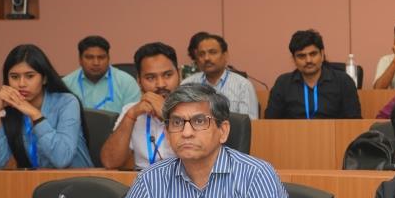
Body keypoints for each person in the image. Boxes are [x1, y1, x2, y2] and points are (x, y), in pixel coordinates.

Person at [101, 84, 294, 198]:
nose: (186, 133)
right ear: (167, 134)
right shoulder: (151, 180)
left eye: (199, 121)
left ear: (223, 131)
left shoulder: (257, 176)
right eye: (177, 123)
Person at [0, 44, 92, 169]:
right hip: (37, 179)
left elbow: (62, 159)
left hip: (78, 179)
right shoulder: (10, 108)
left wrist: (35, 115)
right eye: (14, 77)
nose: (21, 84)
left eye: (30, 76)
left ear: (44, 78)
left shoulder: (67, 102)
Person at [100, 42, 180, 170]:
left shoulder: (196, 108)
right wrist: (131, 116)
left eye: (167, 75)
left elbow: (198, 159)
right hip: (140, 179)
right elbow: (110, 162)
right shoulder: (131, 110)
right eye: (150, 78)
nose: (160, 84)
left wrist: (168, 117)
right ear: (139, 81)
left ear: (179, 74)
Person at [265, 30, 361, 119]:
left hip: (333, 132)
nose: (308, 60)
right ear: (294, 59)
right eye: (301, 56)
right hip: (294, 132)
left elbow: (354, 122)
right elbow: (269, 122)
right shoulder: (283, 84)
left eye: (313, 54)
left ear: (322, 55)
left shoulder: (343, 81)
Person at [181, 32, 259, 119]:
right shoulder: (187, 85)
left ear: (225, 55)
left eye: (212, 52)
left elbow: (249, 123)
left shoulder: (243, 86)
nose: (206, 58)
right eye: (202, 54)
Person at [62, 36, 141, 115]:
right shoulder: (66, 84)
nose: (96, 63)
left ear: (108, 58)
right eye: (89, 57)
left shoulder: (127, 83)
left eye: (101, 57)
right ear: (80, 59)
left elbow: (134, 117)